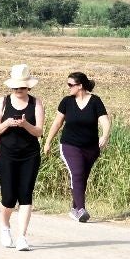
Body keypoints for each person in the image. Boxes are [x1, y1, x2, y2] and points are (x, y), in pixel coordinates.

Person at [42, 71, 111, 223]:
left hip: (91, 148)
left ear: (80, 86)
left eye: (70, 85)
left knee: (82, 177)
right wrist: (47, 142)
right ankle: (81, 209)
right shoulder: (66, 102)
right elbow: (57, 123)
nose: (68, 88)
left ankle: (74, 209)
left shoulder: (95, 101)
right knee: (77, 173)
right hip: (69, 145)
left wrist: (104, 136)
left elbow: (105, 121)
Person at [0, 65, 45, 251]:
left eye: (21, 87)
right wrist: (7, 123)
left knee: (25, 195)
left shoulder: (36, 103)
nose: (18, 91)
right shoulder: (3, 102)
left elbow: (39, 131)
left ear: (28, 87)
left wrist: (25, 124)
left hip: (30, 154)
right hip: (6, 154)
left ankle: (22, 236)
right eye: (15, 88)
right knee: (8, 196)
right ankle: (5, 226)